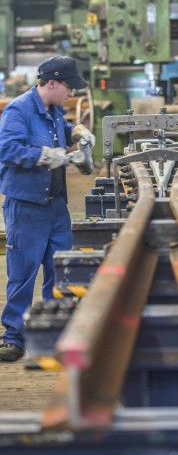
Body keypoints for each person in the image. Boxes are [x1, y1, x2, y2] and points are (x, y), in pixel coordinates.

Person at [0, 55, 95, 361]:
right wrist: (45, 156)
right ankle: (14, 337)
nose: (72, 93)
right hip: (27, 206)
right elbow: (6, 148)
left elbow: (62, 130)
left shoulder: (54, 110)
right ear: (51, 82)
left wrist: (76, 133)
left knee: (60, 271)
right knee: (24, 273)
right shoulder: (19, 110)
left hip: (56, 206)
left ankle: (53, 332)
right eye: (69, 87)